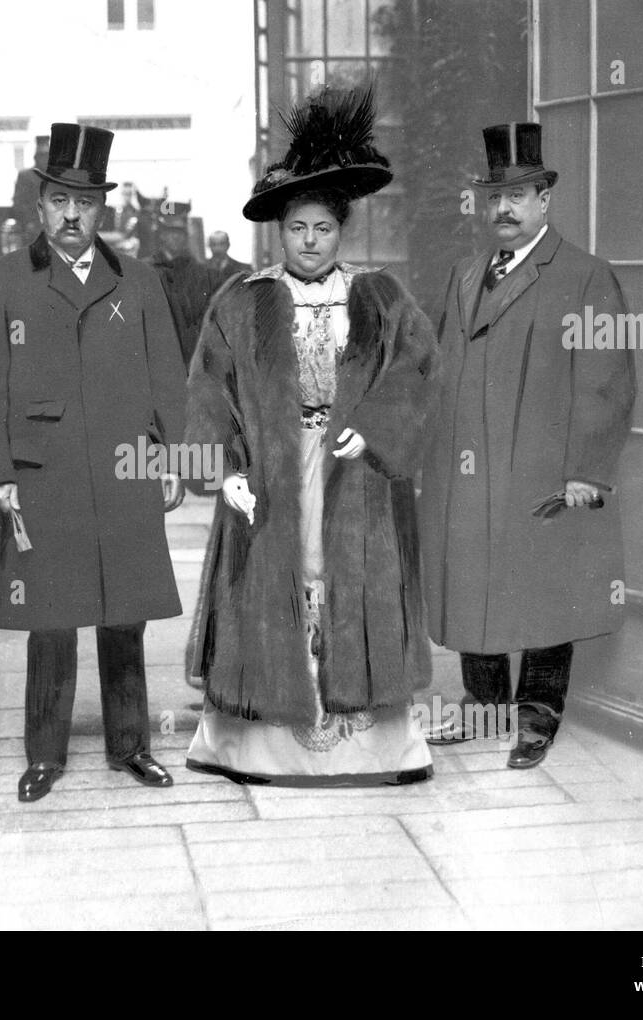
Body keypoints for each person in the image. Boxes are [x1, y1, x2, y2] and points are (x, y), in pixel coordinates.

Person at [184, 87, 441, 786]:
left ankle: (371, 746)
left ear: (341, 230)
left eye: (323, 227)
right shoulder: (240, 301)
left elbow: (418, 372)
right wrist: (227, 468)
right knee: (278, 583)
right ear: (279, 229)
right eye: (297, 227)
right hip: (273, 472)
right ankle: (258, 748)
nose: (309, 241)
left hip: (354, 473)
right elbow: (210, 388)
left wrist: (377, 429)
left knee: (348, 585)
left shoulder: (380, 297)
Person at [0, 122, 187, 803]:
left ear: (102, 210)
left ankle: (132, 745)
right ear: (39, 204)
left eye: (85, 202)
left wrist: (174, 452)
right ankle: (43, 755)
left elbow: (167, 375)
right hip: (40, 478)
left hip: (123, 474)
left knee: (126, 614)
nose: (70, 214)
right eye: (59, 199)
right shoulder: (0, 283)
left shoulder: (138, 281)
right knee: (49, 621)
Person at [418, 122, 636, 769]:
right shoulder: (463, 275)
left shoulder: (585, 277)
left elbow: (607, 386)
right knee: (470, 579)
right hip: (468, 468)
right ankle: (483, 703)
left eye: (518, 194)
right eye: (494, 197)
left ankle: (538, 713)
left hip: (542, 471)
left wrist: (586, 473)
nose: (504, 209)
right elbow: (435, 367)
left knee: (546, 585)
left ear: (545, 198)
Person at [150, 200, 227, 364]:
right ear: (162, 235)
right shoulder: (145, 271)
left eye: (180, 233)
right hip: (155, 359)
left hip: (190, 361)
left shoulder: (202, 275)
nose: (175, 238)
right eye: (170, 232)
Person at [10, 134, 49, 240]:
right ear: (36, 157)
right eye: (42, 156)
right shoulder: (26, 176)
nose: (45, 159)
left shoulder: (58, 179)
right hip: (33, 227)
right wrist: (28, 222)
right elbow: (19, 202)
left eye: (48, 156)